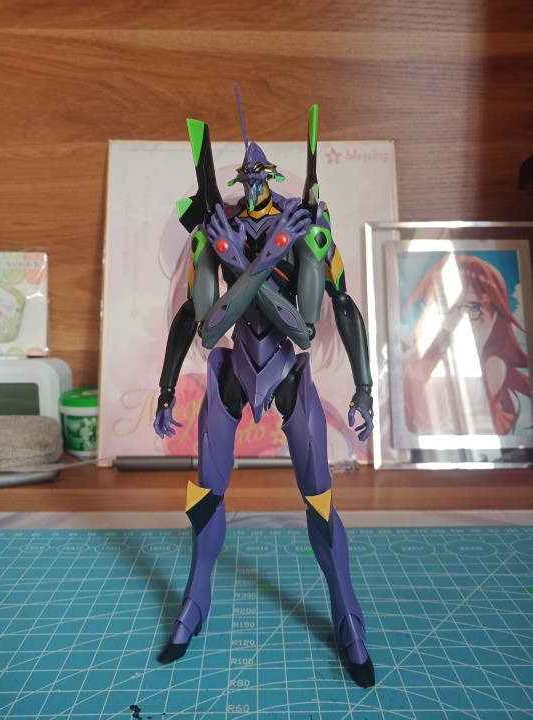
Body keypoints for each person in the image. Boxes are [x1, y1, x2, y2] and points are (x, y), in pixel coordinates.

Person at [153, 99, 375, 688]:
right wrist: (166, 388)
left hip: (288, 372)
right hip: (230, 369)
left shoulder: (305, 226)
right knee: (206, 494)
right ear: (237, 180)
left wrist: (365, 387)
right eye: (246, 178)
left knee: (319, 496)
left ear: (272, 177)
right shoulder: (215, 228)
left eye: (261, 176)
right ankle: (194, 604)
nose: (253, 185)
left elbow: (311, 324)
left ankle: (348, 616)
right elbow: (204, 326)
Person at [402, 253, 530, 437]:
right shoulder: (414, 355)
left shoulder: (493, 365)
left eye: (474, 306)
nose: (458, 316)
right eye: (445, 302)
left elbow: (460, 414)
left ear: (494, 316)